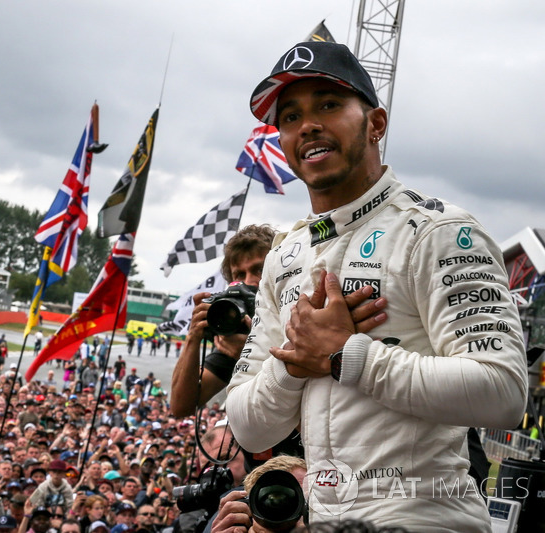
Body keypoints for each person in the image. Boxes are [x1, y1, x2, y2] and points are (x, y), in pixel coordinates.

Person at [226, 41, 527, 530]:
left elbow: (504, 393)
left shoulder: (439, 231)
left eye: (328, 104)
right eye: (290, 116)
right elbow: (247, 424)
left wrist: (347, 354)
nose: (308, 125)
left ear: (375, 124)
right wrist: (300, 362)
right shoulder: (285, 254)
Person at [170, 224, 386, 419]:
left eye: (258, 270)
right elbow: (181, 407)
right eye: (239, 274)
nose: (249, 282)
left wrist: (247, 357)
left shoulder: (304, 316)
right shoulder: (237, 334)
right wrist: (193, 336)